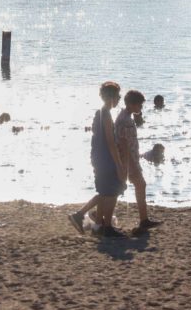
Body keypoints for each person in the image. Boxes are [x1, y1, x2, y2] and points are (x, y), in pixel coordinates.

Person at [68, 81, 125, 238]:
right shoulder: (105, 114)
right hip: (105, 159)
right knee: (112, 190)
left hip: (98, 158)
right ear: (112, 97)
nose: (119, 99)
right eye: (118, 96)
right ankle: (98, 223)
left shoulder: (99, 113)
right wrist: (119, 164)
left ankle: (96, 224)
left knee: (105, 191)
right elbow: (110, 142)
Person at [115, 90, 162, 236]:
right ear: (131, 104)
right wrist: (132, 164)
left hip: (131, 158)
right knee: (125, 187)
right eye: (139, 105)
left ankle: (144, 219)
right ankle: (143, 220)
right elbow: (124, 143)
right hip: (128, 159)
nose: (141, 108)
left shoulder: (127, 117)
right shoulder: (125, 119)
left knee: (123, 187)